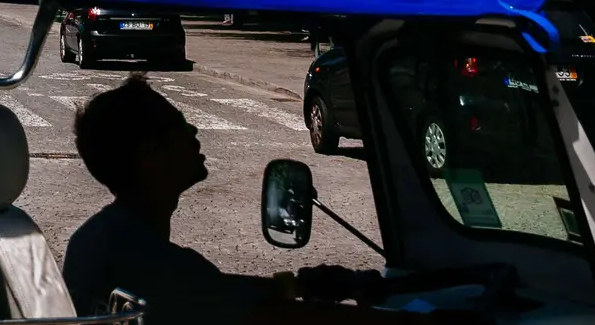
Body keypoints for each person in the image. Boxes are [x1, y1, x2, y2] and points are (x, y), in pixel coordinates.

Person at [64, 77, 386, 324]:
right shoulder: (164, 268)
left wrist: (301, 285)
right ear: (151, 155)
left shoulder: (90, 242)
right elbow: (273, 316)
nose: (194, 128)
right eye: (178, 124)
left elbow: (220, 290)